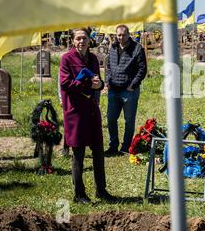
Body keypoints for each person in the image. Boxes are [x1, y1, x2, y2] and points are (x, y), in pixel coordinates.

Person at [59, 27, 115, 204]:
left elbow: (99, 81)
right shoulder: (66, 59)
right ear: (73, 41)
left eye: (84, 38)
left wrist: (98, 85)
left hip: (92, 110)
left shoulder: (92, 58)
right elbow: (65, 83)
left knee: (98, 151)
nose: (81, 41)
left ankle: (101, 190)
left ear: (89, 41)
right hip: (75, 112)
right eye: (78, 39)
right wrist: (87, 84)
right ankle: (79, 194)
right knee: (79, 153)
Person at [105, 25, 147, 155]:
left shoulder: (137, 48)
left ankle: (126, 146)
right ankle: (113, 146)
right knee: (111, 119)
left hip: (129, 91)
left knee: (129, 120)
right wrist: (108, 81)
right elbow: (108, 67)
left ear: (128, 34)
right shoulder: (112, 47)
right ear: (116, 35)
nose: (121, 37)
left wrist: (133, 85)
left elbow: (142, 69)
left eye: (123, 35)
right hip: (114, 90)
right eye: (118, 35)